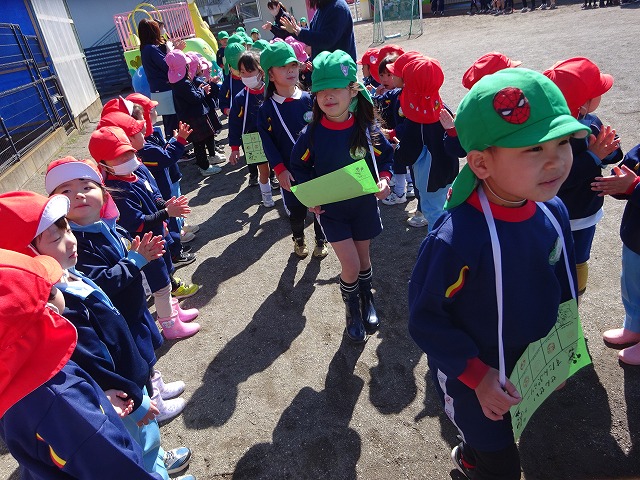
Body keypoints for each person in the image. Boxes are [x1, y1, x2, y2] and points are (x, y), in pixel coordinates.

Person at [408, 68, 590, 480]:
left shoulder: (553, 210)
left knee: (515, 429)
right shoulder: (455, 239)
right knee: (501, 463)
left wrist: (562, 349)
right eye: (533, 148)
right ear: (481, 163)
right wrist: (476, 375)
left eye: (563, 142)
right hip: (474, 377)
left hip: (530, 365)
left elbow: (564, 286)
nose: (556, 161)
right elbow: (425, 319)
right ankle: (474, 457)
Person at [0, 192, 194, 479]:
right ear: (25, 258)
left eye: (67, 229)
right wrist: (131, 396)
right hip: (120, 395)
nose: (71, 240)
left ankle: (158, 463)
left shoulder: (67, 273)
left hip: (126, 382)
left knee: (146, 440)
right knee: (135, 447)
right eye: (55, 238)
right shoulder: (54, 313)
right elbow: (89, 360)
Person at [44, 157, 194, 423]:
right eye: (66, 190)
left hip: (134, 307)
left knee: (148, 356)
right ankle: (154, 404)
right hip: (120, 316)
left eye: (87, 186)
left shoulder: (107, 225)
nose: (78, 194)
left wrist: (140, 255)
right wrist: (134, 261)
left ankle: (157, 386)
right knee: (138, 362)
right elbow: (101, 282)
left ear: (104, 194)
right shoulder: (75, 244)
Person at [0, 248, 165, 480]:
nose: (58, 289)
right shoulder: (61, 399)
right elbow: (118, 468)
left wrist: (98, 399)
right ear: (46, 311)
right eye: (51, 288)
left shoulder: (16, 377)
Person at [290, 50, 393, 342]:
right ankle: (351, 309)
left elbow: (385, 158)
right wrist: (310, 195)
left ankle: (367, 299)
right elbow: (299, 166)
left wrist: (384, 180)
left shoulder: (367, 129)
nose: (328, 96)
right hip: (331, 211)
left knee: (364, 260)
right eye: (321, 90)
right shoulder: (311, 134)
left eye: (335, 88)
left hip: (363, 207)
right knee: (350, 265)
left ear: (353, 90)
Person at [89, 126, 201, 340]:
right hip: (146, 246)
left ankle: (175, 313)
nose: (127, 158)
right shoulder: (116, 190)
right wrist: (166, 213)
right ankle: (170, 325)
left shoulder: (136, 173)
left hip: (159, 237)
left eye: (128, 152)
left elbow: (154, 194)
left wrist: (164, 206)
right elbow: (137, 223)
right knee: (161, 286)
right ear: (103, 164)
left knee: (168, 275)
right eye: (119, 157)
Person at [544, 57, 622, 298]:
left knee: (576, 258)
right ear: (584, 104)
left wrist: (609, 150)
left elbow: (614, 154)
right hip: (573, 211)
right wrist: (593, 157)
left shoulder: (591, 123)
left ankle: (573, 296)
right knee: (563, 257)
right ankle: (562, 296)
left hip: (580, 210)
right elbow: (560, 178)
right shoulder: (555, 136)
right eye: (597, 93)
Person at [258, 41, 328, 259]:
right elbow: (268, 144)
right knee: (297, 212)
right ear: (270, 74)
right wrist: (279, 170)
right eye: (282, 67)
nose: (290, 70)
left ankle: (321, 239)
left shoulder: (310, 99)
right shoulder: (266, 109)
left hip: (316, 169)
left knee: (321, 207)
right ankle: (298, 238)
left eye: (293, 65)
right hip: (289, 173)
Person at [393, 56, 459, 232]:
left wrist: (396, 148)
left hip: (430, 180)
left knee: (434, 214)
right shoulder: (442, 108)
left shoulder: (416, 121)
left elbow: (407, 155)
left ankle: (439, 243)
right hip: (449, 173)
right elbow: (458, 147)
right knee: (446, 206)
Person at [593, 145, 640, 365]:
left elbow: (633, 184)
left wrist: (634, 186)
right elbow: (632, 162)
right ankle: (634, 326)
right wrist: (618, 180)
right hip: (635, 235)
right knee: (631, 284)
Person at [227, 50, 275, 207]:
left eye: (250, 71)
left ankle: (287, 199)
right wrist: (234, 148)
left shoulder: (272, 91)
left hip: (274, 136)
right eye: (242, 72)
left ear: (261, 71)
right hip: (253, 139)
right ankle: (266, 195)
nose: (246, 76)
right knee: (264, 171)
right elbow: (234, 124)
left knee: (280, 167)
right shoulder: (240, 98)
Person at [139, 18, 185, 140]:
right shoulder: (151, 49)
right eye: (158, 28)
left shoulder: (146, 48)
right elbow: (167, 65)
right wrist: (172, 51)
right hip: (164, 88)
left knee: (169, 119)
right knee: (172, 120)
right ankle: (175, 146)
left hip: (158, 89)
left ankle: (175, 145)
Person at [280, 0, 356, 62]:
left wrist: (300, 32)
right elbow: (313, 36)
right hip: (327, 69)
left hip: (340, 71)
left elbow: (327, 40)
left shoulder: (337, 7)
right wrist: (295, 31)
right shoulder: (323, 8)